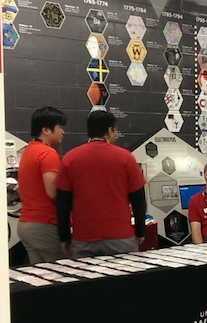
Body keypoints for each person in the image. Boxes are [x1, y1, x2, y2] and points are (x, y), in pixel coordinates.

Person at [55, 110, 146, 258]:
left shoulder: (70, 159)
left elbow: (62, 204)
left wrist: (64, 237)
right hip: (120, 238)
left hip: (84, 239)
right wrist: (140, 231)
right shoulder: (126, 158)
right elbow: (139, 199)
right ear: (109, 131)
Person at [17, 107, 67, 264]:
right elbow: (53, 192)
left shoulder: (28, 151)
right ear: (46, 129)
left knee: (42, 279)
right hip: (44, 225)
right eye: (60, 127)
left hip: (25, 225)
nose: (63, 132)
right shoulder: (47, 153)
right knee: (63, 275)